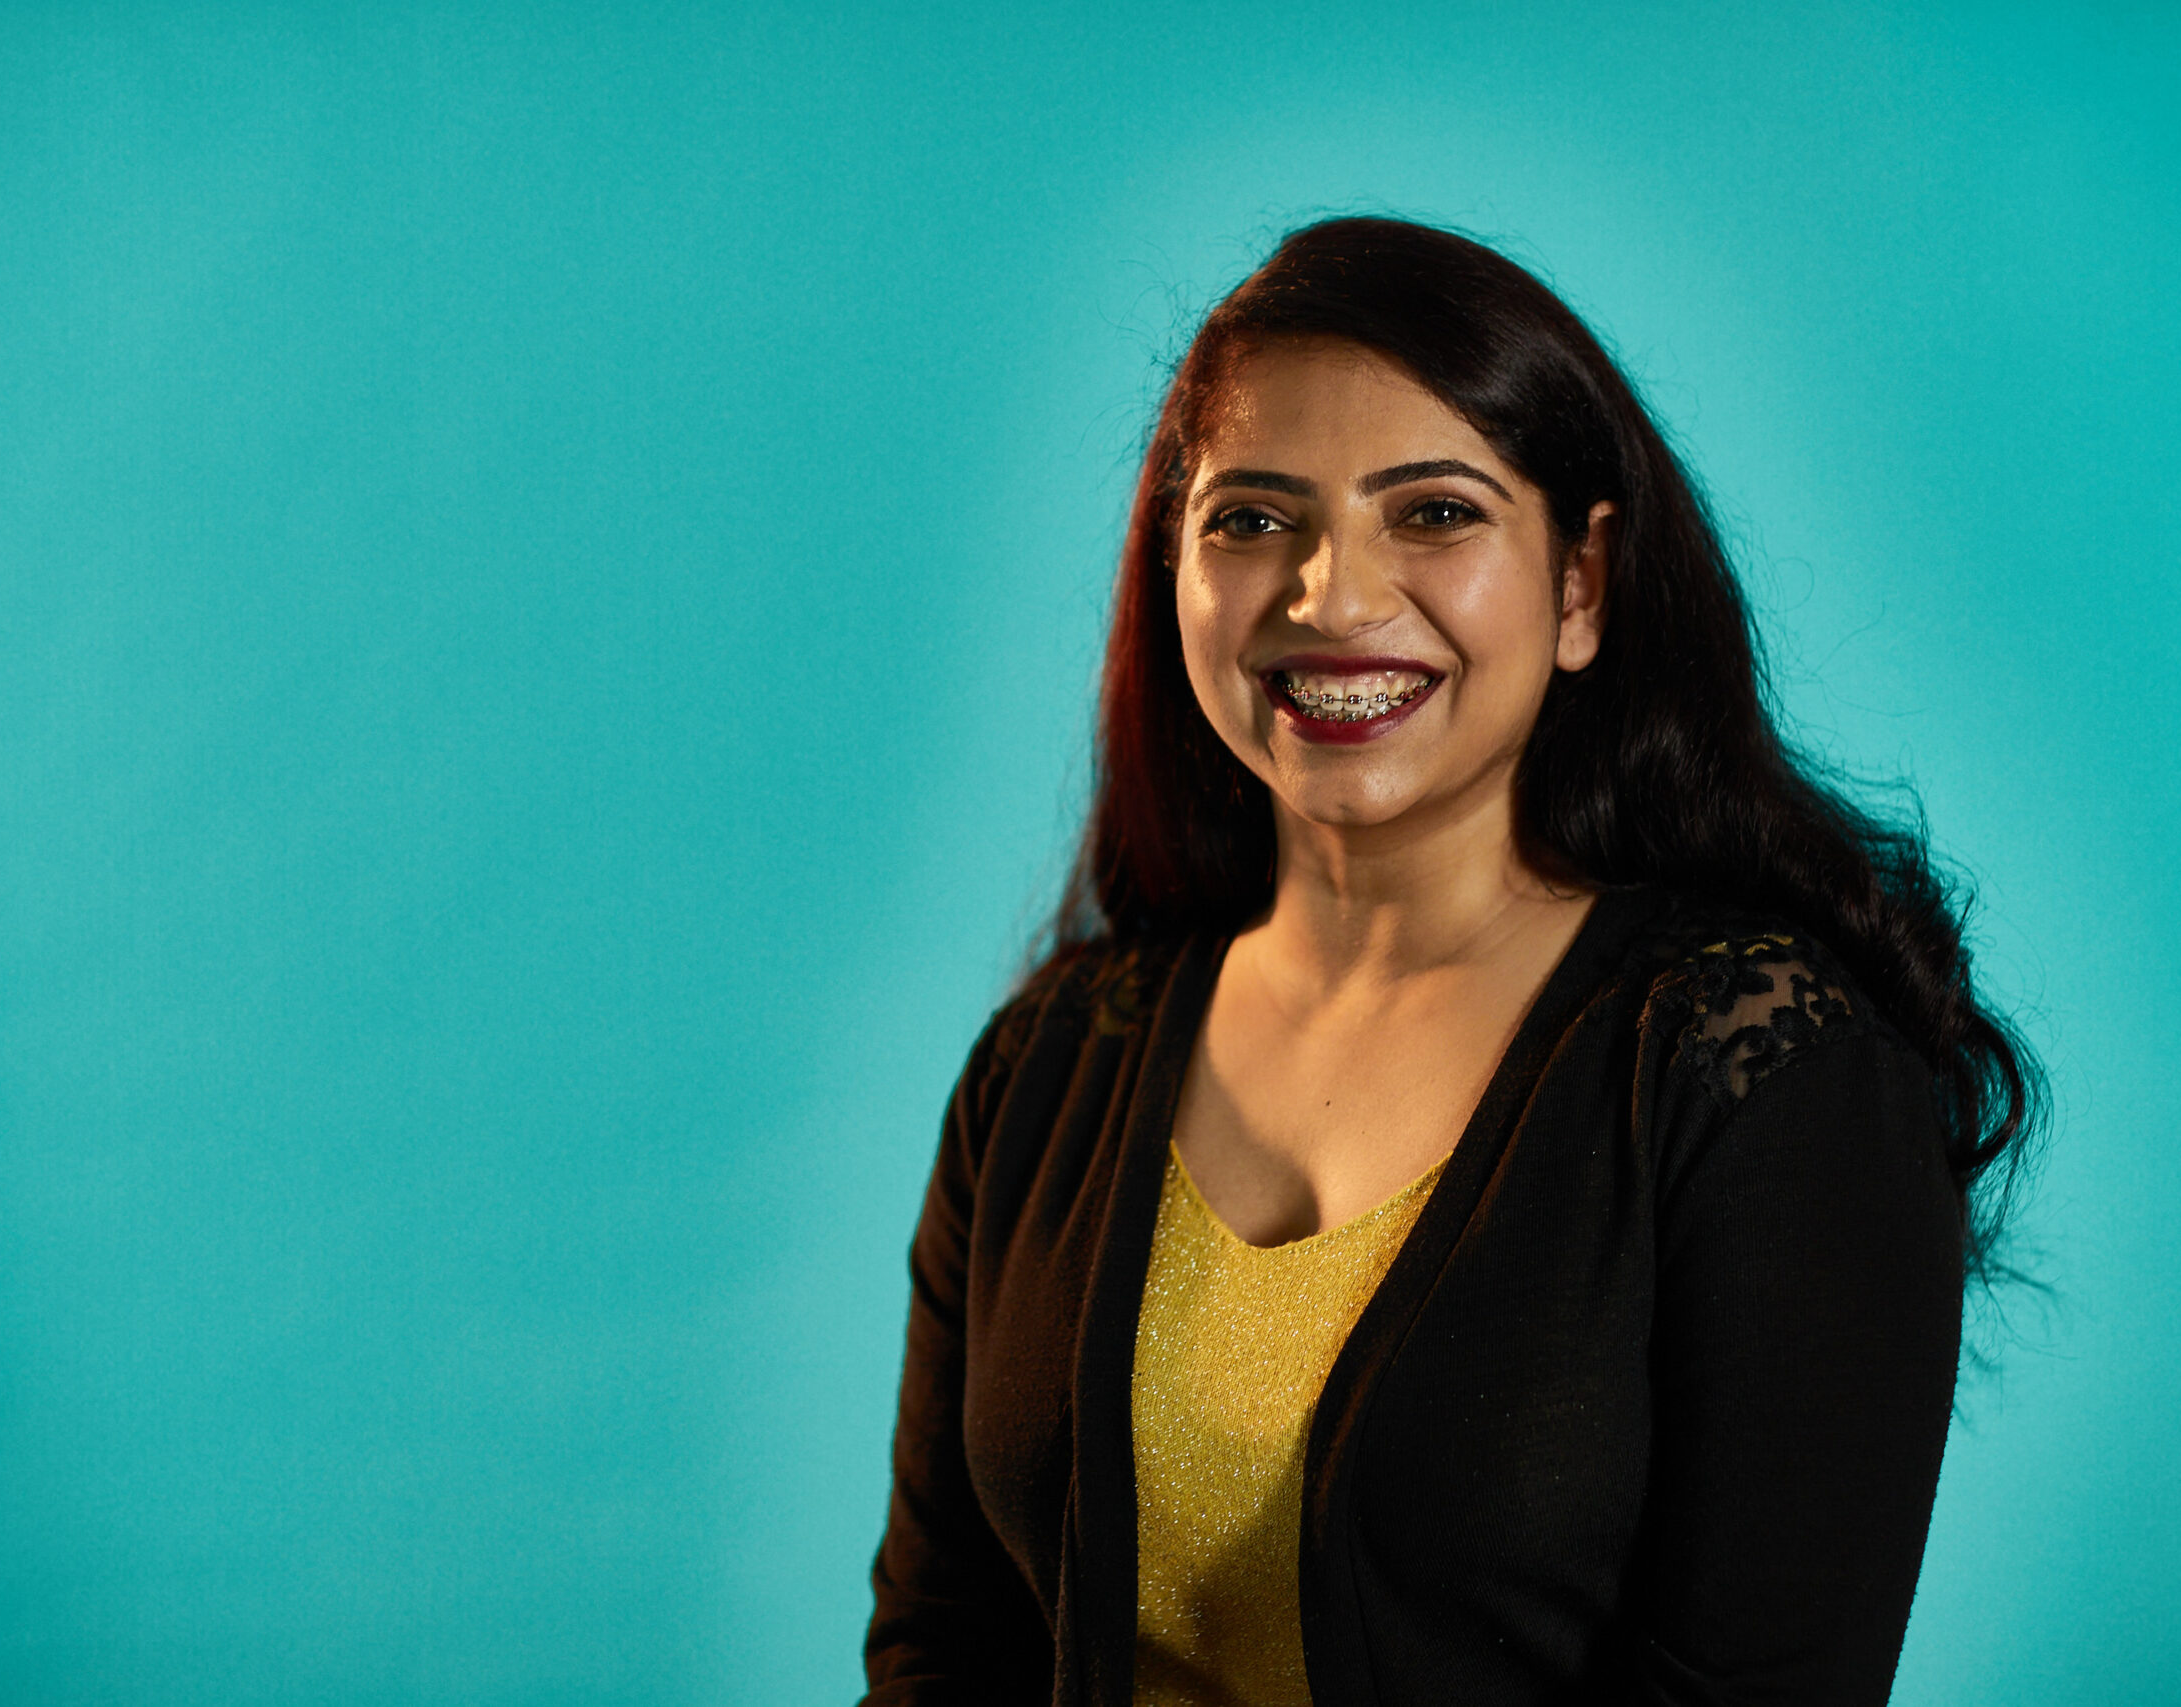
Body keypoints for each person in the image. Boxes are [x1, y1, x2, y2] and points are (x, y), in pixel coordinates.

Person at [860, 216, 2039, 1707]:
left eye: (1431, 514)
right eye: (1251, 519)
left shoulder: (1770, 1078)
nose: (1331, 598)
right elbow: (937, 1663)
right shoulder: (1048, 1060)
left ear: (1582, 585)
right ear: (1174, 572)